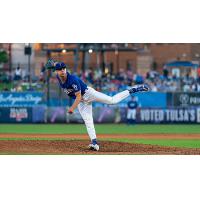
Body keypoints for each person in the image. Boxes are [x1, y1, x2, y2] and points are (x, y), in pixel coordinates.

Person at [45, 59, 149, 151]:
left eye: (64, 68)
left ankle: (134, 89)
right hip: (81, 102)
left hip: (88, 94)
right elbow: (56, 65)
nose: (63, 70)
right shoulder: (59, 75)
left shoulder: (72, 79)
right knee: (88, 120)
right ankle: (94, 143)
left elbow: (78, 97)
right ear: (56, 71)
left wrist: (72, 108)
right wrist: (54, 64)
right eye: (60, 69)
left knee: (112, 101)